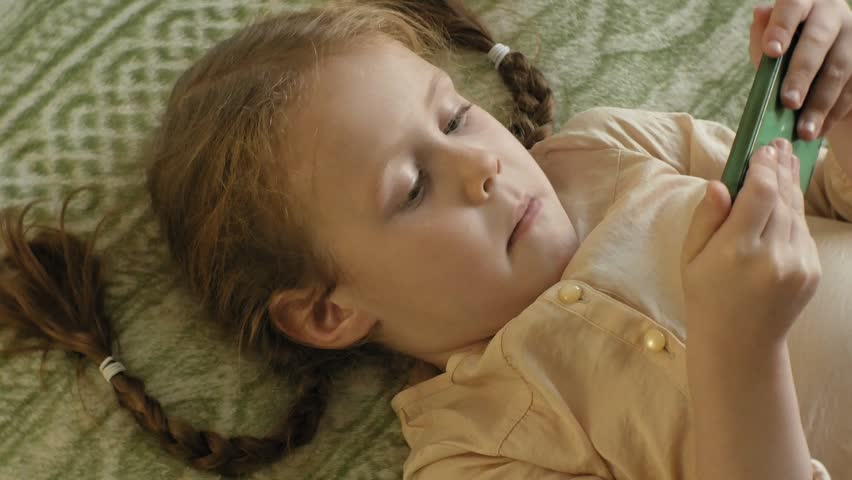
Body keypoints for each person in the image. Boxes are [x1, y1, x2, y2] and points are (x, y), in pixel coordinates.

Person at [1, 0, 850, 478]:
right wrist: (741, 349)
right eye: (410, 189)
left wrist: (840, 108)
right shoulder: (469, 447)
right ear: (328, 313)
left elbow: (830, 196)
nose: (481, 165)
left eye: (454, 115)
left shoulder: (606, 149)